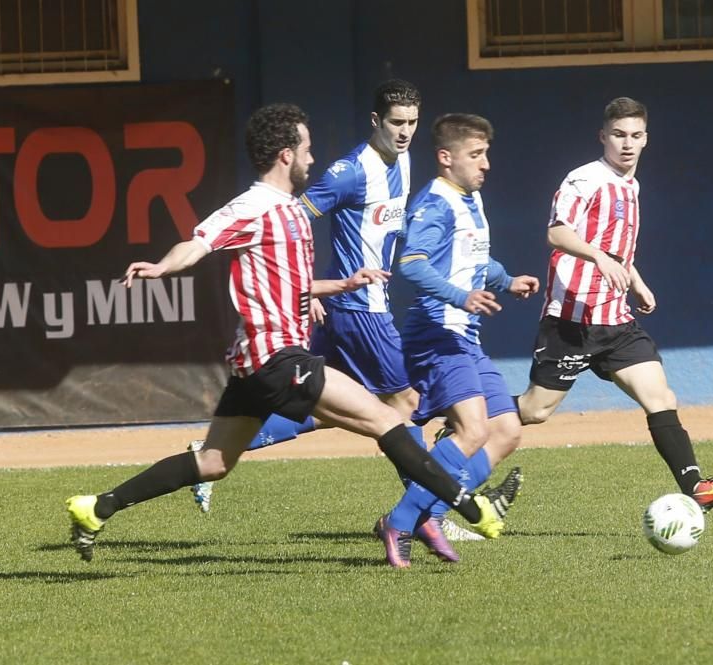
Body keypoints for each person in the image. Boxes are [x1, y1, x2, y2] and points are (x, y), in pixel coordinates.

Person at [65, 103, 505, 563]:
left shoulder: (291, 210)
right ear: (285, 155)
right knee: (389, 420)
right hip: (277, 356)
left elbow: (288, 282)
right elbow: (198, 243)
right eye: (307, 150)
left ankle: (97, 507)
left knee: (213, 463)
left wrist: (341, 285)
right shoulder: (253, 206)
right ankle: (469, 506)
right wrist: (161, 266)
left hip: (252, 364)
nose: (313, 159)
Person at [186, 80, 521, 545]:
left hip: (360, 305)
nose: (404, 133)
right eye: (395, 123)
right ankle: (432, 515)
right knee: (405, 405)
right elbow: (296, 218)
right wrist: (312, 289)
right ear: (374, 122)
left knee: (327, 402)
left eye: (411, 123)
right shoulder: (350, 171)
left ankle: (211, 451)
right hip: (358, 307)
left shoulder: (403, 162)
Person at [515, 96, 713, 511]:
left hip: (616, 321)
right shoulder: (583, 180)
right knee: (534, 411)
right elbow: (557, 234)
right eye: (619, 135)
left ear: (646, 140)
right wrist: (600, 259)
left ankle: (696, 487)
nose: (627, 144)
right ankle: (467, 421)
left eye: (635, 136)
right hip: (572, 319)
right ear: (602, 136)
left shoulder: (631, 185)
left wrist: (636, 281)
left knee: (660, 396)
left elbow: (617, 246)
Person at [374, 113, 540, 567]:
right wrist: (460, 296)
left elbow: (472, 258)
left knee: (506, 431)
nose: (485, 164)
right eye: (475, 154)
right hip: (436, 333)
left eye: (486, 153)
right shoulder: (434, 203)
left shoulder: (469, 199)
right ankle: (402, 520)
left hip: (464, 336)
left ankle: (430, 511)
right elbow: (412, 263)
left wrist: (507, 281)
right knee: (471, 429)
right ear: (446, 158)